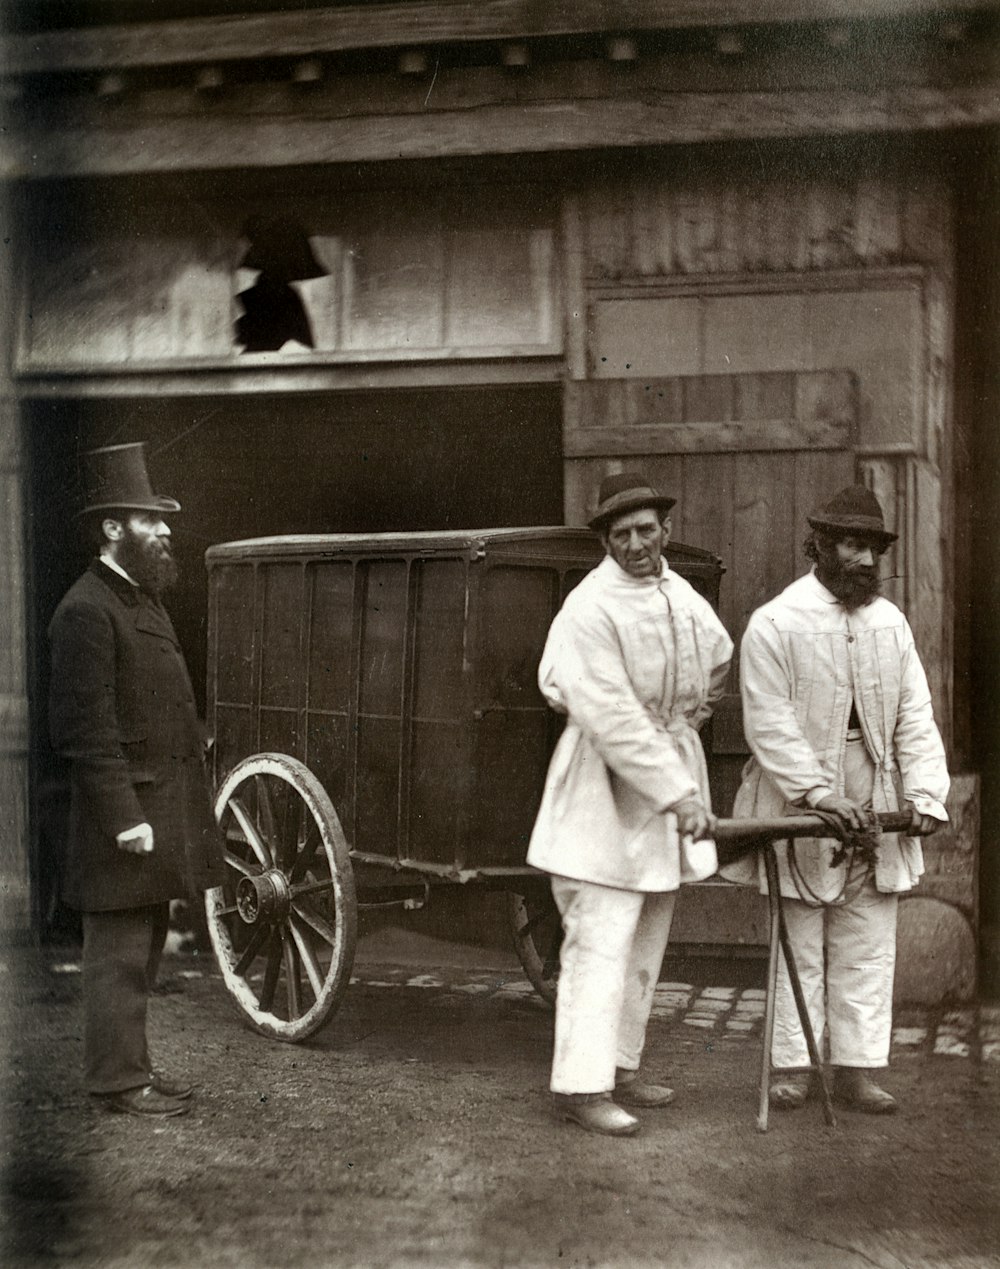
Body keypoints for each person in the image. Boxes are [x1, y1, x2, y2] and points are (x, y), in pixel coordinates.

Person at [726, 485, 949, 1114]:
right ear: (819, 546)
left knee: (868, 935)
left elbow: (914, 714)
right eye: (852, 545)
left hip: (875, 786)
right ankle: (793, 1067)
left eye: (873, 548)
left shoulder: (890, 623)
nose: (865, 561)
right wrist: (816, 793)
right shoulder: (776, 622)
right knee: (800, 936)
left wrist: (925, 792)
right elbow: (768, 722)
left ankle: (856, 1067)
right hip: (799, 788)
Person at [527, 472, 733, 1136]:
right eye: (622, 534)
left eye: (648, 529)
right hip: (599, 790)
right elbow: (612, 717)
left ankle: (621, 1065)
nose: (638, 544)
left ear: (666, 529)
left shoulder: (682, 595)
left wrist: (686, 726)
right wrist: (677, 790)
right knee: (600, 937)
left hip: (664, 782)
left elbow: (720, 659)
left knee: (646, 934)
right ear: (606, 542)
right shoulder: (590, 607)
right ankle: (581, 1086)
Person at [49, 442, 223, 1118]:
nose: (165, 529)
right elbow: (85, 733)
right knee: (117, 954)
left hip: (159, 806)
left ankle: (133, 1069)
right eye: (149, 519)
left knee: (143, 947)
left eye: (163, 519)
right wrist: (125, 817)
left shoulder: (141, 602)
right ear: (111, 529)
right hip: (121, 818)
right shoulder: (85, 611)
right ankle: (116, 1083)